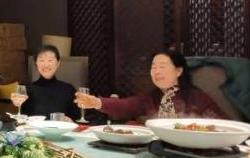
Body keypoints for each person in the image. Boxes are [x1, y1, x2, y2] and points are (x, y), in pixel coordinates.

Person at [74, 49, 228, 121]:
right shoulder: (152, 97)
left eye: (162, 66)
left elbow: (224, 125)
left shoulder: (197, 97)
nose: (157, 71)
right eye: (153, 67)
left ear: (178, 71)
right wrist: (96, 102)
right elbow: (126, 106)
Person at [18, 45, 80, 120]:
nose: (46, 65)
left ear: (58, 63)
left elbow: (78, 119)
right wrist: (16, 104)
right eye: (42, 60)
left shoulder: (69, 89)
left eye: (50, 60)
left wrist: (72, 121)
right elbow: (20, 119)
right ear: (36, 63)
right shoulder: (27, 90)